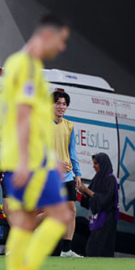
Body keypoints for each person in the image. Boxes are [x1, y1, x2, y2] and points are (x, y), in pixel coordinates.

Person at [0, 14, 72, 270]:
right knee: (61, 215)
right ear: (48, 35)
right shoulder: (27, 66)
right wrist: (32, 160)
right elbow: (25, 114)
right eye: (62, 39)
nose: (63, 46)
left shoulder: (20, 63)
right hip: (29, 159)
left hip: (19, 157)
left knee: (25, 222)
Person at [51, 91, 83, 258]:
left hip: (67, 176)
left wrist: (77, 173)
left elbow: (72, 152)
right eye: (58, 103)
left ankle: (66, 250)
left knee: (71, 210)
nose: (61, 107)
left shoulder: (69, 126)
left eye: (64, 104)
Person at [77, 153, 119, 257]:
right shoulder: (97, 178)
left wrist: (87, 190)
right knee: (92, 247)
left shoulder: (110, 179)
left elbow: (105, 199)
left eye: (96, 163)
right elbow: (90, 200)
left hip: (107, 220)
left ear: (102, 164)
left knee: (101, 248)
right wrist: (83, 191)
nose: (94, 166)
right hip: (97, 217)